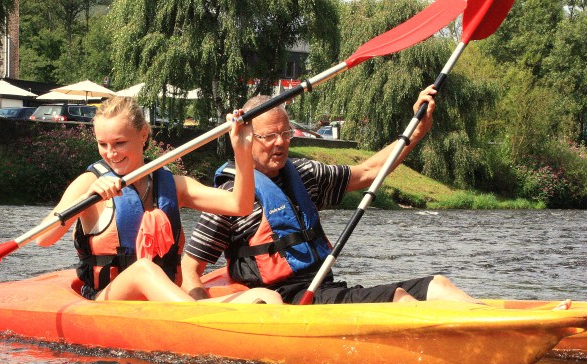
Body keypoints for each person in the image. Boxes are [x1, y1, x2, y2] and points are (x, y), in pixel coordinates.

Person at [180, 86, 485, 305]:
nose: (280, 143)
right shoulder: (228, 198)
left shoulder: (306, 174)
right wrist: (202, 315)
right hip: (284, 302)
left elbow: (367, 172)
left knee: (439, 285)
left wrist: (416, 132)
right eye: (269, 136)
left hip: (323, 289)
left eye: (285, 134)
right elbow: (190, 269)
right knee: (399, 298)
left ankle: (494, 328)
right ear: (248, 138)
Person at [34, 95, 282, 304]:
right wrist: (86, 198)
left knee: (267, 297)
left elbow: (240, 205)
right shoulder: (89, 183)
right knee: (143, 269)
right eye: (103, 144)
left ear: (143, 135)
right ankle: (198, 318)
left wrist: (241, 148)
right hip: (106, 302)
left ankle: (197, 317)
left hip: (162, 307)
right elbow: (43, 239)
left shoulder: (173, 185)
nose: (111, 153)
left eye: (119, 143)